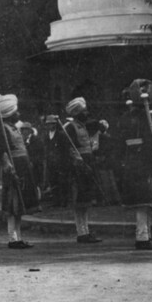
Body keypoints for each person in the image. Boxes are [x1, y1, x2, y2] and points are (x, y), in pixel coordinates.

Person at [116, 78, 152, 251]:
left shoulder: (125, 118)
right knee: (145, 202)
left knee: (142, 202)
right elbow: (150, 142)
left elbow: (120, 142)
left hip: (130, 160)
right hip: (144, 162)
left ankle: (144, 235)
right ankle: (143, 237)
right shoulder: (146, 117)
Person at [0, 94, 39, 249]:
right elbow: (2, 151)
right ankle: (12, 238)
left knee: (20, 205)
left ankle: (19, 237)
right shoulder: (4, 129)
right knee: (13, 204)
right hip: (13, 168)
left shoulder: (14, 128)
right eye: (16, 112)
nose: (18, 114)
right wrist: (8, 167)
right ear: (10, 113)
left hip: (23, 167)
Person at [60, 97, 103, 244]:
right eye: (83, 111)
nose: (86, 113)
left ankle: (86, 230)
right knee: (79, 201)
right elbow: (69, 147)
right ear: (77, 113)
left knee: (86, 201)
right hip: (79, 166)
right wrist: (78, 161)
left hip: (88, 163)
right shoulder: (70, 127)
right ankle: (81, 231)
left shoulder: (83, 126)